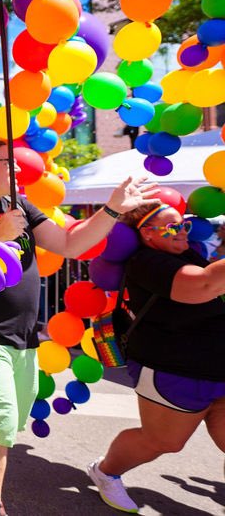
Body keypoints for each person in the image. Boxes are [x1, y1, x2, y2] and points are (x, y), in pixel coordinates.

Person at [0, 140, 159, 516]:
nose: (20, 171)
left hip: (23, 332)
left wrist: (114, 209)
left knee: (3, 426)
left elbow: (70, 243)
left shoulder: (20, 205)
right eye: (9, 164)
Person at [86, 201, 225, 513]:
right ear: (147, 234)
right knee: (164, 441)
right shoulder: (146, 263)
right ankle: (105, 471)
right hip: (175, 370)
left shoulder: (190, 255)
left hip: (219, 368)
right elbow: (203, 285)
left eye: (184, 225)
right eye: (172, 227)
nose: (182, 232)